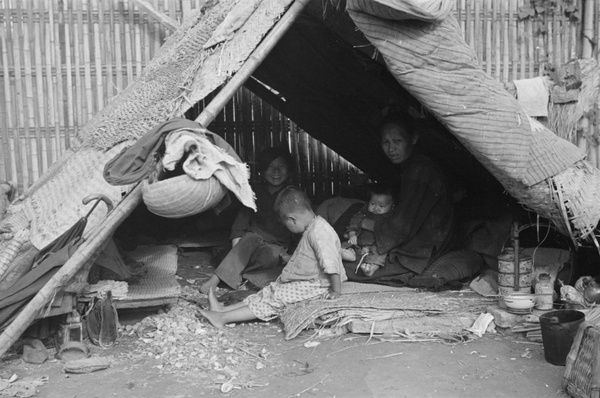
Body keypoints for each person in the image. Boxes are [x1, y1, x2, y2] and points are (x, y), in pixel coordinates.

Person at [197, 186, 347, 328]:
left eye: (286, 224)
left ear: (292, 219)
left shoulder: (319, 232)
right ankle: (221, 310)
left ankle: (222, 318)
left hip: (317, 286)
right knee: (269, 291)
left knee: (275, 300)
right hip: (307, 281)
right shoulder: (313, 227)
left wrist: (335, 292)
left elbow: (330, 263)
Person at [344, 113, 460, 286]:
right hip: (413, 237)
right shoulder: (410, 166)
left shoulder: (421, 170)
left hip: (424, 246)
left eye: (398, 141)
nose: (391, 149)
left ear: (413, 139)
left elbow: (403, 225)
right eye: (386, 142)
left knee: (349, 266)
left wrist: (366, 224)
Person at [199, 147, 296, 294]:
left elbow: (301, 228)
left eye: (281, 166)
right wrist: (236, 249)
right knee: (246, 242)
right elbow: (241, 221)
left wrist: (292, 254)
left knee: (269, 259)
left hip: (277, 245)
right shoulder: (254, 192)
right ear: (262, 171)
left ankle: (240, 275)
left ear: (289, 170)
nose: (276, 171)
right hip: (253, 237)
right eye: (270, 167)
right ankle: (216, 278)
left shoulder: (293, 195)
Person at [342, 183, 395, 277]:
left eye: (381, 206)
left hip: (377, 244)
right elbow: (354, 222)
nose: (376, 208)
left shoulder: (390, 217)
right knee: (347, 243)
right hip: (360, 241)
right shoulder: (364, 212)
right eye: (372, 203)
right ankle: (349, 254)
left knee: (380, 253)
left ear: (391, 206)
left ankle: (371, 267)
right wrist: (352, 234)